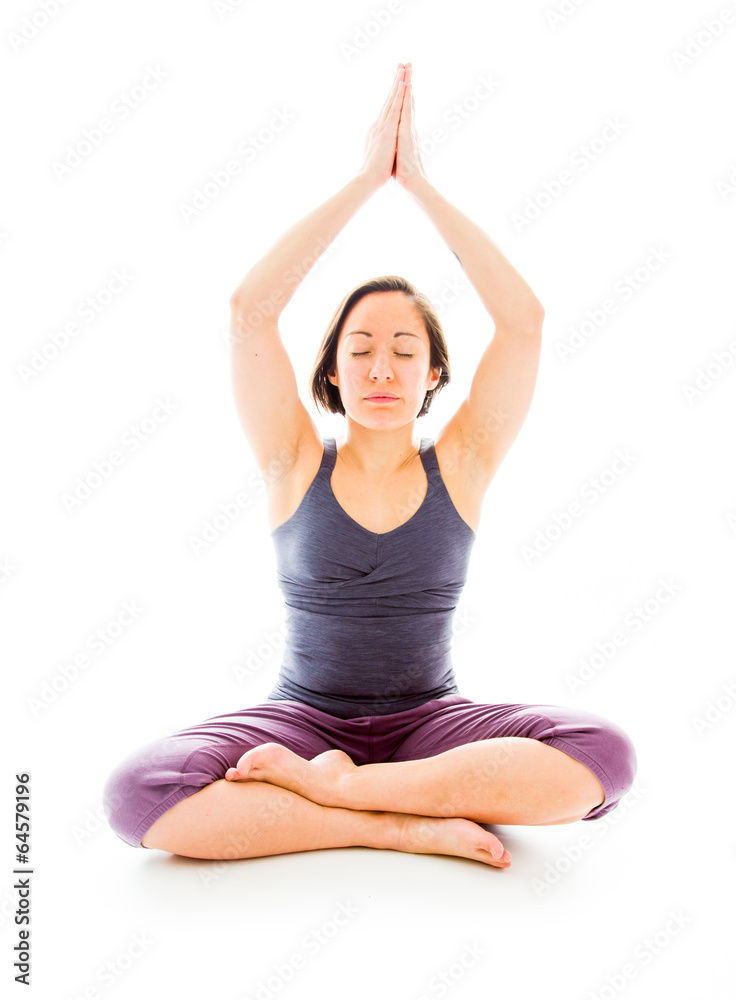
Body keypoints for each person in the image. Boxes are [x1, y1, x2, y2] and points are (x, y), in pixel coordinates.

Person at [103, 62, 636, 869]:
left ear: (432, 374)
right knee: (137, 793)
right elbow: (251, 310)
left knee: (603, 758)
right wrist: (364, 181)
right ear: (331, 375)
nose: (381, 369)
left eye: (402, 350)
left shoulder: (462, 461)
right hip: (302, 722)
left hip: (433, 726)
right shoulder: (290, 459)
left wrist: (417, 186)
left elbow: (522, 322)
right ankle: (389, 823)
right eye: (360, 351)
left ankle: (343, 792)